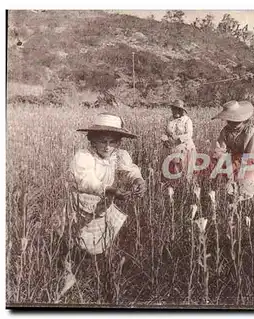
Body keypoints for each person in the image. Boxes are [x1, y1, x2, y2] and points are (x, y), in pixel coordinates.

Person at [55, 112, 146, 302]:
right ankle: (69, 273)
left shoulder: (119, 156)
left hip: (102, 206)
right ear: (93, 140)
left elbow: (130, 170)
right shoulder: (83, 157)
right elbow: (86, 180)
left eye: (112, 142)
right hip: (81, 206)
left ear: (119, 143)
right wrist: (111, 190)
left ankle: (100, 276)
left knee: (102, 240)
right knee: (75, 240)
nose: (107, 146)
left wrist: (138, 180)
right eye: (102, 141)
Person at [211, 100, 254, 206]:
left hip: (249, 159)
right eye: (230, 121)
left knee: (249, 184)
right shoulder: (225, 131)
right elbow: (220, 147)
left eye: (235, 121)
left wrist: (236, 164)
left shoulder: (251, 131)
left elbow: (249, 152)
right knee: (224, 182)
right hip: (232, 158)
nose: (232, 123)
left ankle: (251, 205)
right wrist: (219, 157)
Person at [162, 99, 196, 181]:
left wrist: (177, 139)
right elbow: (166, 132)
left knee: (186, 170)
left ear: (181, 111)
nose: (175, 111)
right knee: (174, 170)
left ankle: (187, 187)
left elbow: (189, 134)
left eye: (177, 109)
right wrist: (164, 140)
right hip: (173, 149)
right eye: (173, 109)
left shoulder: (187, 120)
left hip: (186, 148)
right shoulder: (170, 119)